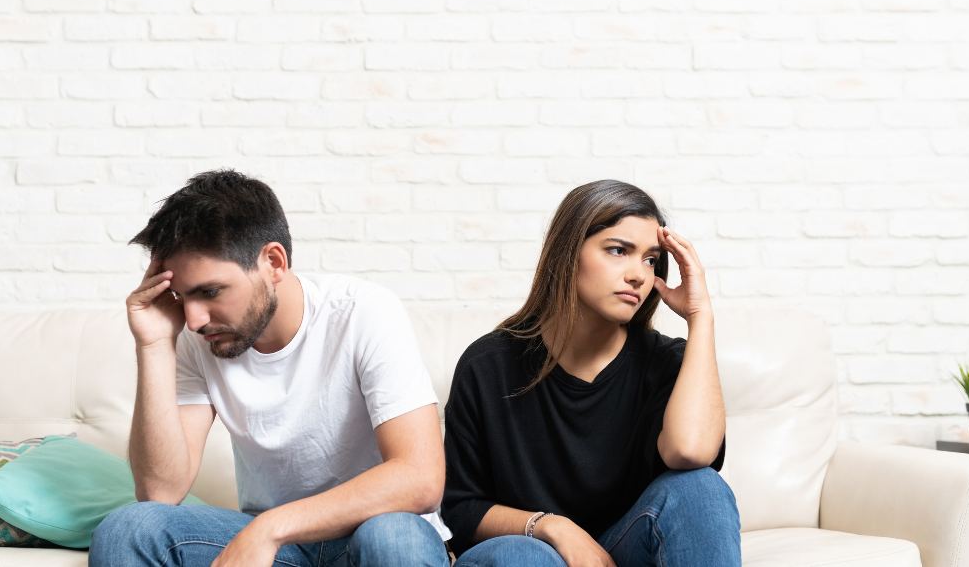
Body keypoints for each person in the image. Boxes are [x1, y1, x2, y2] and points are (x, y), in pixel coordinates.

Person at [91, 169, 451, 567]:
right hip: (277, 551)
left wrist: (270, 528)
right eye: (181, 297)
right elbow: (161, 492)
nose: (193, 319)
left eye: (210, 291)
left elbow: (420, 478)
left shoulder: (363, 311)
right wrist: (155, 343)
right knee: (129, 528)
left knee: (393, 535)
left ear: (273, 262)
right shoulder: (198, 337)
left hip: (368, 533)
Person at [440, 180, 740, 567]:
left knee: (700, 488)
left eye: (650, 259)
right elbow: (460, 509)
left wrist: (701, 318)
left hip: (624, 550)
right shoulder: (488, 364)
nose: (639, 275)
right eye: (618, 250)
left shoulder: (666, 362)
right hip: (531, 551)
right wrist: (554, 528)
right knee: (522, 555)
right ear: (568, 253)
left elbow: (690, 451)